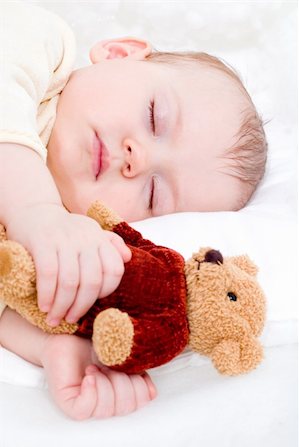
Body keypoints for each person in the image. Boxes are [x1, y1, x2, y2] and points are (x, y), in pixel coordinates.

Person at [0, 3, 267, 419]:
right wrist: (37, 210)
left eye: (154, 193)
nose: (137, 159)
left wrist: (53, 344)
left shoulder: (51, 236)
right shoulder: (40, 44)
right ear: (120, 53)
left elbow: (8, 289)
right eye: (154, 117)